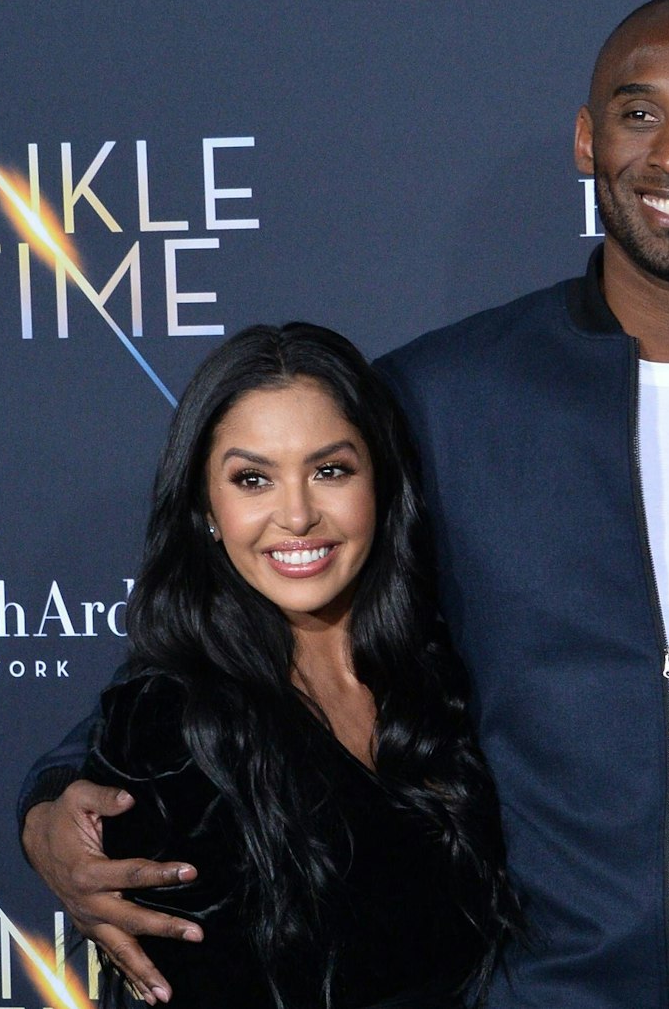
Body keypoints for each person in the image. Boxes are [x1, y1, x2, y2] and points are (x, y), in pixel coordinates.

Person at [19, 0, 669, 1008]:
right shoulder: (439, 397)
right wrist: (51, 801)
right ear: (588, 141)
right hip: (541, 989)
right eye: (638, 113)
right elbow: (231, 627)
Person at [76, 323, 517, 1008]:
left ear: (381, 483)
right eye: (253, 479)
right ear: (207, 511)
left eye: (330, 470)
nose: (298, 514)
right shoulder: (170, 726)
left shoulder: (443, 672)